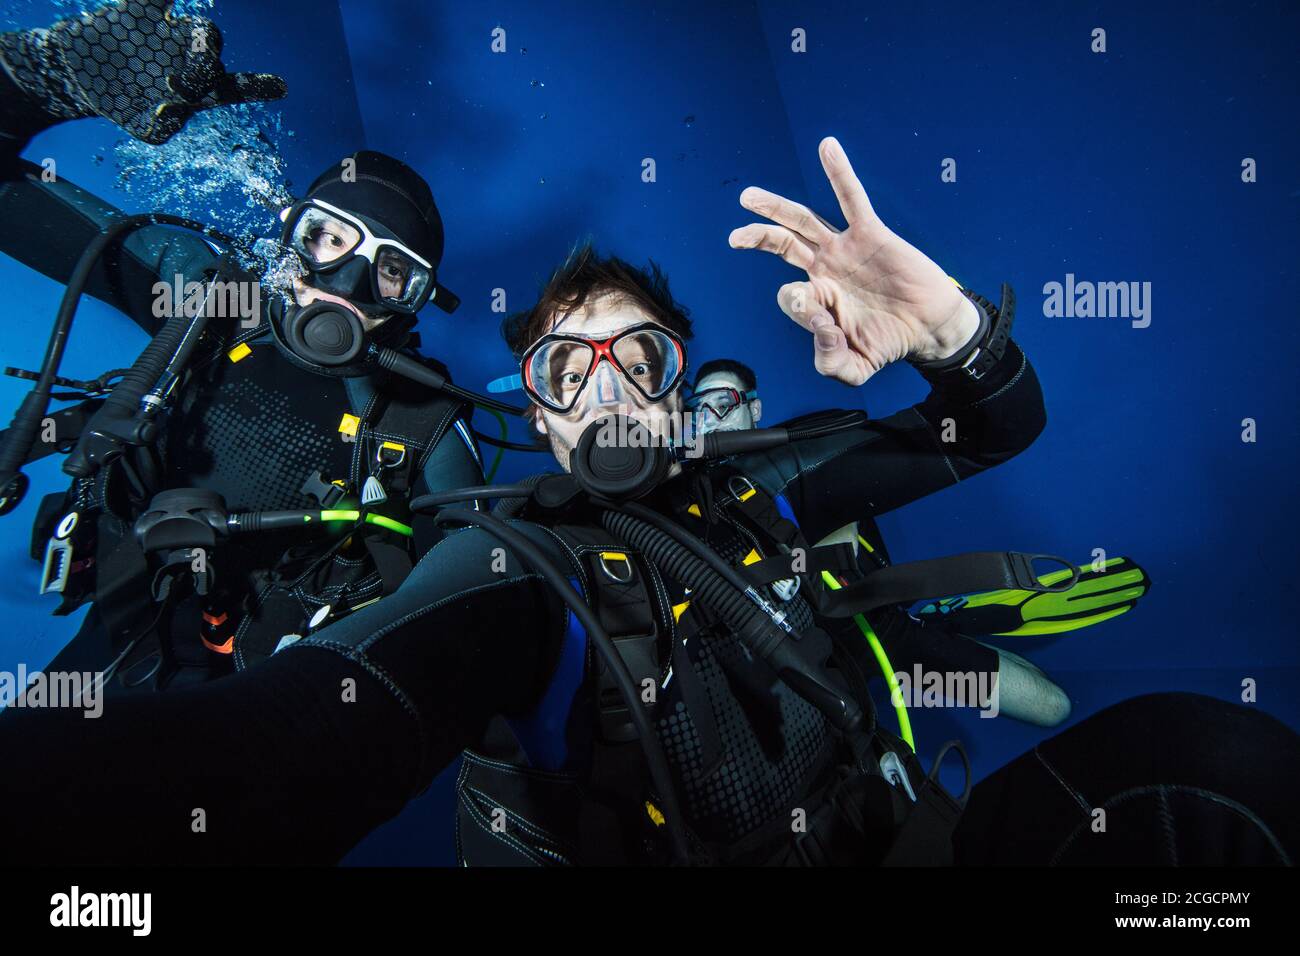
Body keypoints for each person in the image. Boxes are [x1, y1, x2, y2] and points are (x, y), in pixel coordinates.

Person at [0, 135, 1296, 868]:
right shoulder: (512, 568)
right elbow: (288, 743)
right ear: (542, 412)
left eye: (644, 360)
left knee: (1208, 763)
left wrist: (949, 326)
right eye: (571, 365)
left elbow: (992, 421)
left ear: (679, 395)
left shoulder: (764, 480)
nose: (609, 389)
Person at [0, 0, 486, 689]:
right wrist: (41, 79)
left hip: (270, 707)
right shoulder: (205, 303)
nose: (345, 282)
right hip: (109, 641)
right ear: (290, 234)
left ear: (413, 299)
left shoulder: (423, 427)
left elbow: (474, 624)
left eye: (391, 270)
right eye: (329, 237)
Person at [687, 358, 1089, 728]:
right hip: (805, 672)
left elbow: (993, 426)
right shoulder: (688, 496)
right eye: (698, 409)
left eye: (723, 403)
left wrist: (954, 344)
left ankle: (939, 621)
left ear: (754, 409)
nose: (710, 421)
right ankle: (941, 623)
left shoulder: (791, 461)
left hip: (876, 631)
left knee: (1051, 707)